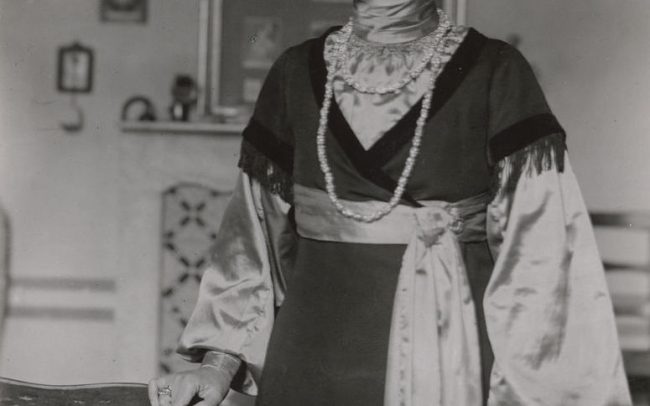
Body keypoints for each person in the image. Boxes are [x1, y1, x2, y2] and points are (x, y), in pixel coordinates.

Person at [149, 1, 632, 405]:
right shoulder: (293, 71)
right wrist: (217, 363)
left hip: (452, 363)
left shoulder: (497, 70)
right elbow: (249, 242)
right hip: (309, 366)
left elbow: (544, 266)